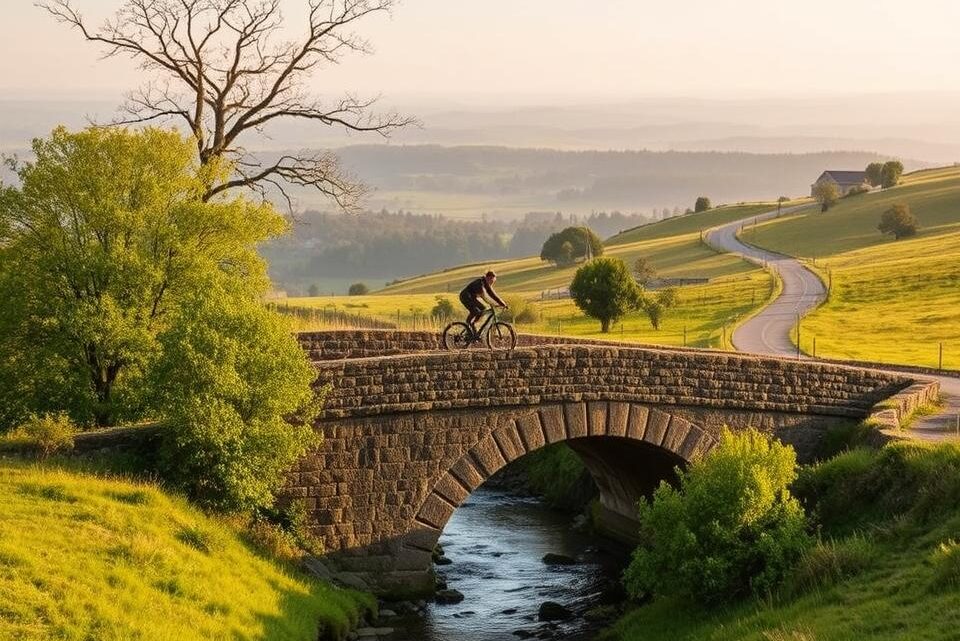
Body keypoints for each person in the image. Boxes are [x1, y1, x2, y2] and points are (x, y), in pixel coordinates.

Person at [459, 271, 507, 336]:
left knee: (483, 308)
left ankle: (473, 324)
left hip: (471, 297)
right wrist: (494, 304)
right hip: (465, 296)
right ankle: (468, 324)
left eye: (493, 282)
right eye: (491, 281)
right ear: (487, 278)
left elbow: (493, 295)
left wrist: (503, 303)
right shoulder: (480, 284)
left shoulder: (486, 284)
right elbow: (485, 297)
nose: (491, 283)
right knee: (475, 311)